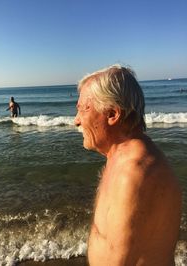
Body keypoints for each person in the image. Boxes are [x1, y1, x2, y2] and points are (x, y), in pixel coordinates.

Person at [74, 65, 182, 266]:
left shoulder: (134, 174)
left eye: (83, 109)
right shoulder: (120, 158)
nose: (76, 121)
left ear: (113, 114)